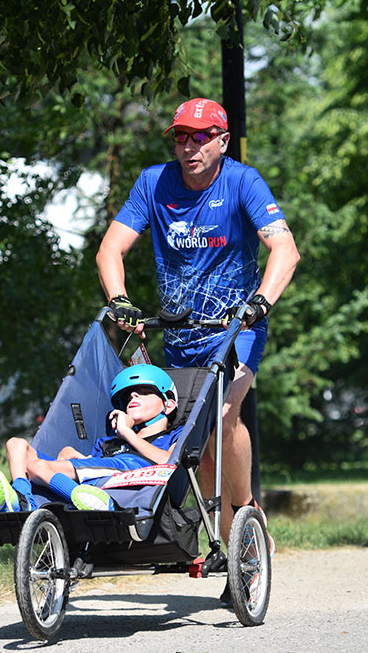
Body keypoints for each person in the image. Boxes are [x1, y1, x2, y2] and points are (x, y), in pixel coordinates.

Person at [96, 97, 299, 600]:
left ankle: (244, 515)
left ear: (222, 142)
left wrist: (260, 303)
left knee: (224, 414)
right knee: (196, 438)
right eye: (181, 137)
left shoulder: (242, 181)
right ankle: (221, 530)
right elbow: (110, 250)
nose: (189, 147)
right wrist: (120, 303)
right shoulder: (154, 183)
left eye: (200, 137)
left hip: (238, 326)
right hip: (181, 331)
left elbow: (285, 249)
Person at [0, 364, 180, 513]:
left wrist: (126, 432)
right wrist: (71, 454)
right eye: (128, 397)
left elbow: (167, 461)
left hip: (130, 471)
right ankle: (21, 499)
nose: (134, 396)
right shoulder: (110, 442)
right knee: (16, 444)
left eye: (145, 392)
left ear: (168, 405)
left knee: (37, 467)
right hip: (100, 474)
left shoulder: (173, 435)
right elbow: (93, 464)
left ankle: (104, 504)